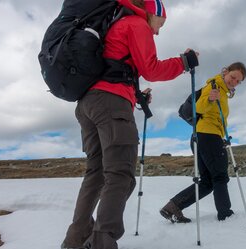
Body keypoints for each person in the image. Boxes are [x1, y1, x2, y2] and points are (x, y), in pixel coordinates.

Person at [61, 0, 198, 249]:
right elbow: (152, 69)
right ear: (151, 13)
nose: (157, 31)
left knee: (96, 174)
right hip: (110, 105)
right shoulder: (136, 23)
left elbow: (115, 68)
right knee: (120, 175)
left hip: (88, 104)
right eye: (160, 23)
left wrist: (135, 96)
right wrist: (184, 62)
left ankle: (76, 240)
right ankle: (102, 242)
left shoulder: (116, 24)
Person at [160, 62, 246, 223]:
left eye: (238, 81)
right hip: (209, 136)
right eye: (233, 77)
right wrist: (209, 99)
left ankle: (173, 207)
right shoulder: (215, 86)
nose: (234, 81)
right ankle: (225, 214)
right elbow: (198, 108)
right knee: (220, 177)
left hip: (201, 137)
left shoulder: (219, 88)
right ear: (225, 72)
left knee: (207, 182)